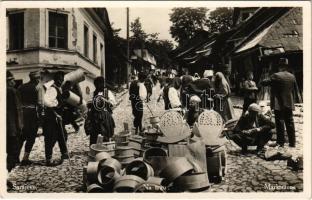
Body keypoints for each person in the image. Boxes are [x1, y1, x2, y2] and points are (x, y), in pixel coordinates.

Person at [260, 58, 297, 148]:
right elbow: (294, 89)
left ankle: (280, 142)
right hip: (289, 101)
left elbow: (264, 83)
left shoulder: (276, 75)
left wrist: (265, 80)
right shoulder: (292, 76)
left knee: (279, 122)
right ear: (287, 66)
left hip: (279, 103)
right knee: (290, 122)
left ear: (280, 66)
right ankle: (292, 143)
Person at [43, 71, 68, 166]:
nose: (61, 81)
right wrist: (56, 114)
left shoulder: (59, 89)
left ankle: (64, 154)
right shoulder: (52, 89)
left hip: (58, 118)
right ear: (56, 79)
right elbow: (47, 103)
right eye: (59, 79)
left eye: (62, 79)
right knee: (50, 138)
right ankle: (48, 159)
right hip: (51, 118)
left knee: (63, 135)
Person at [84, 77, 116, 145]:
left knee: (105, 134)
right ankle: (95, 148)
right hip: (94, 117)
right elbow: (88, 104)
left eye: (103, 83)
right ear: (96, 85)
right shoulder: (93, 94)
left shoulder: (107, 93)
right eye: (100, 84)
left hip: (105, 117)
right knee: (94, 134)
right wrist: (91, 104)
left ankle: (104, 148)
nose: (102, 85)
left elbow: (113, 104)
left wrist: (105, 101)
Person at [18, 71, 41, 165]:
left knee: (21, 137)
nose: (38, 80)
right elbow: (40, 103)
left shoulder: (21, 87)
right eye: (38, 78)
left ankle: (15, 157)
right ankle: (25, 158)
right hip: (31, 114)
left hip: (21, 114)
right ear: (35, 79)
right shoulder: (36, 88)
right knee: (31, 137)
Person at [6, 71, 23, 189]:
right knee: (13, 152)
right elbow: (18, 110)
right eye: (12, 80)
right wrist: (20, 126)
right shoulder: (12, 91)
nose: (13, 82)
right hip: (11, 129)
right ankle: (5, 176)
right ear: (8, 81)